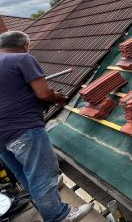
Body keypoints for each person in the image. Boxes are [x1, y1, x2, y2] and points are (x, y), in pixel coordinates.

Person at [0, 31, 93, 222]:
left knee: (25, 173)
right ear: (25, 45)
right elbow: (43, 94)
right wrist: (55, 97)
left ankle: (46, 201)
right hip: (23, 128)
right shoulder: (23, 58)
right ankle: (59, 215)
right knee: (43, 174)